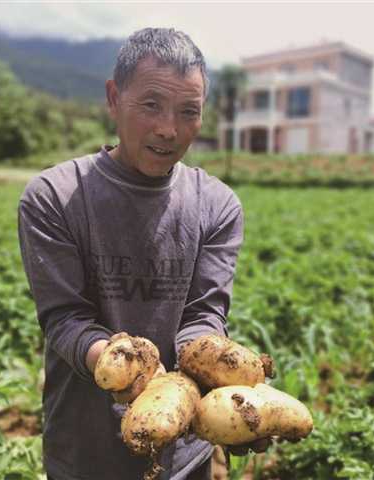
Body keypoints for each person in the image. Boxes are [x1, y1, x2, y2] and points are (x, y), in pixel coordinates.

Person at [18, 27, 268, 480]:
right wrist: (121, 366)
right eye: (151, 104)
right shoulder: (54, 196)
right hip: (84, 452)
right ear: (114, 98)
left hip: (185, 449)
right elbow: (65, 318)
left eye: (188, 112)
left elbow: (204, 313)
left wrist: (227, 382)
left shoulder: (217, 204)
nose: (168, 129)